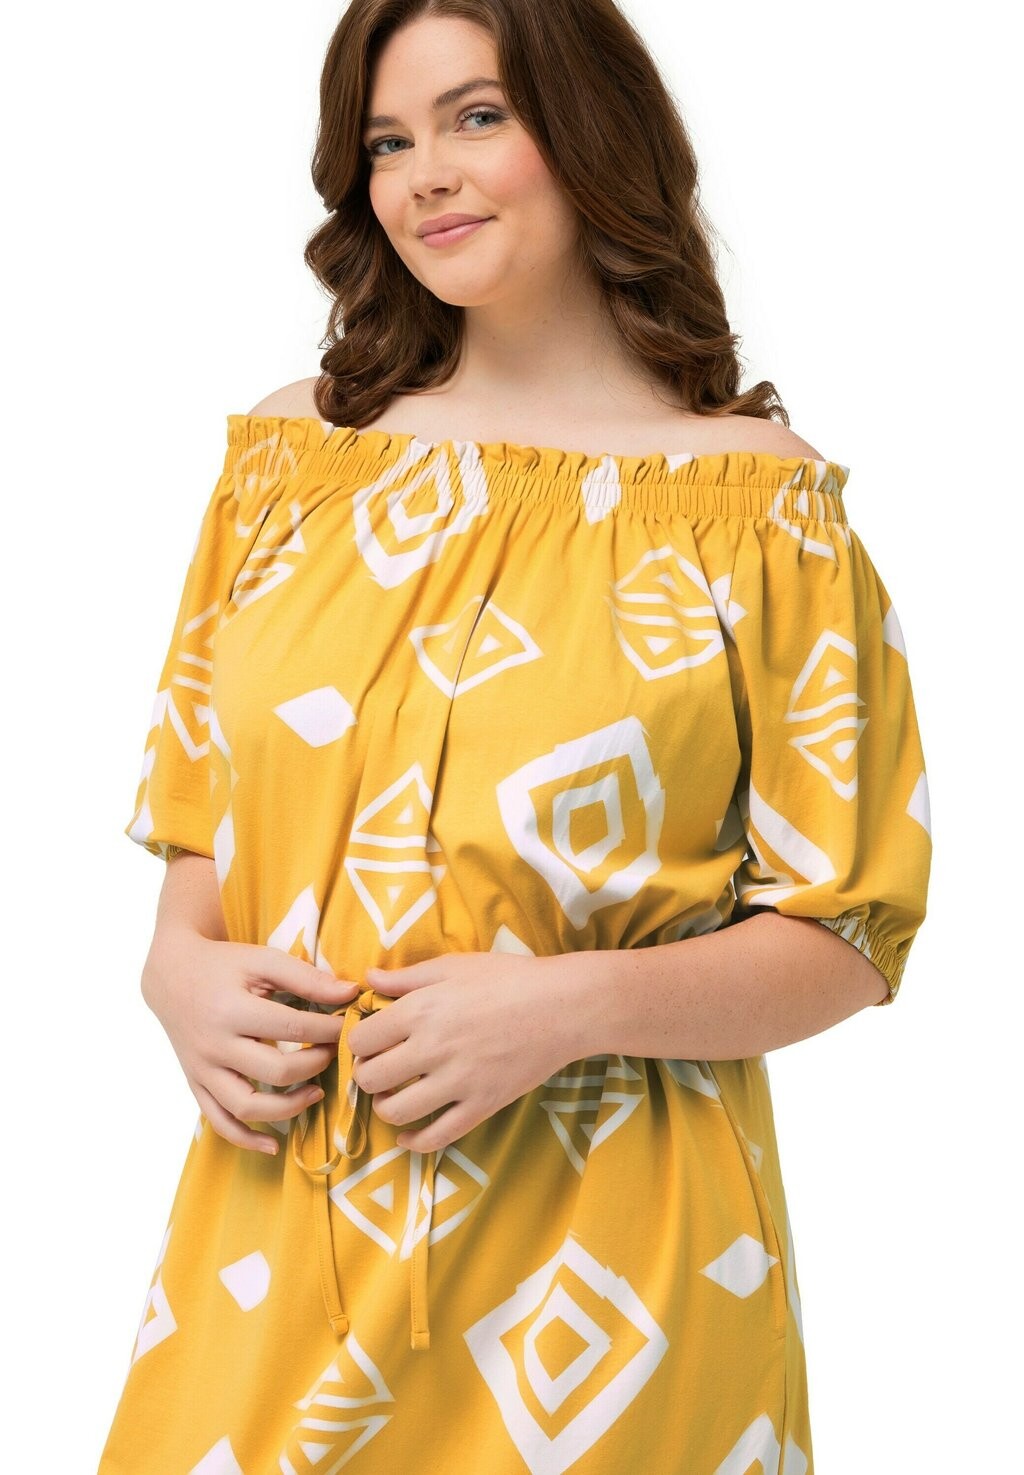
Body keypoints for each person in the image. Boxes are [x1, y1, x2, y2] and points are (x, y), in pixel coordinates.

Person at [98, 1, 933, 1471]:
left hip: (610, 1287)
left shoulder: (759, 511)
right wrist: (176, 973)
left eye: (477, 116)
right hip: (274, 1236)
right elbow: (202, 817)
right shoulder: (292, 468)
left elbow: (850, 931)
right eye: (386, 141)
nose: (424, 172)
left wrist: (568, 1007)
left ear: (593, 131)